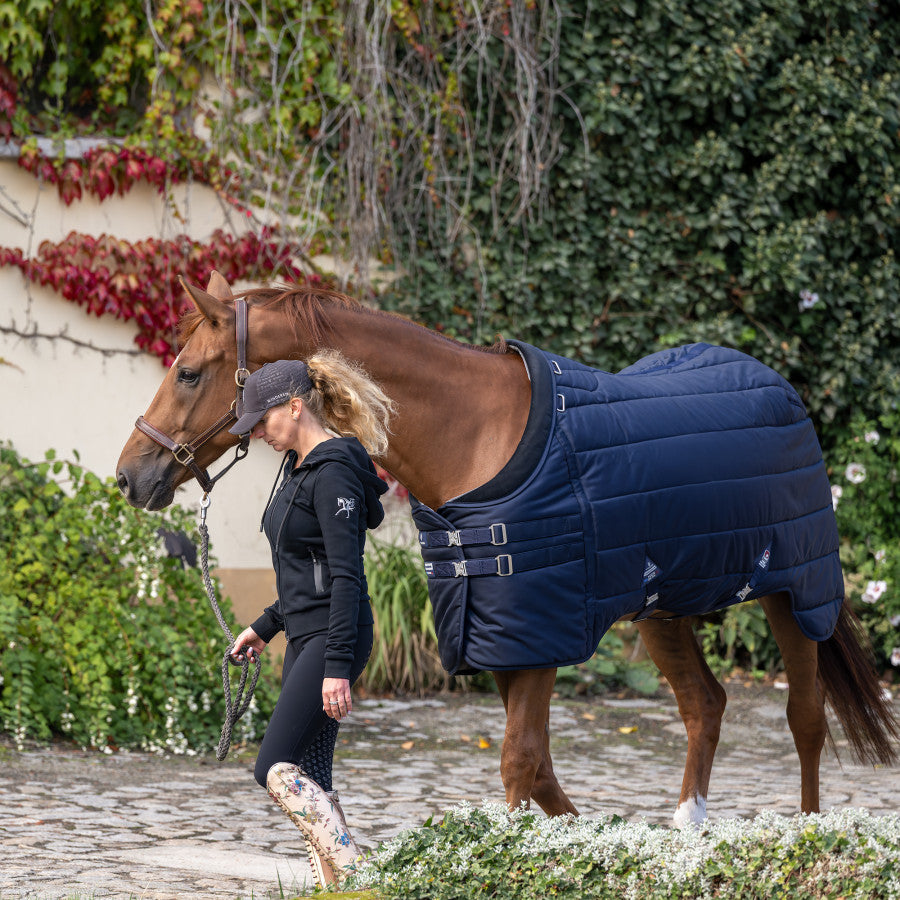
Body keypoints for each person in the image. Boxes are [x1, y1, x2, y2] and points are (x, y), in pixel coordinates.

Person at [227, 352, 392, 889]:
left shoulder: (333, 474)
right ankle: (334, 887)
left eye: (263, 421)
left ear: (295, 407)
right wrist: (266, 625)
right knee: (312, 772)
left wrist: (338, 666)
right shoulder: (296, 470)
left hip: (333, 635)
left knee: (272, 767)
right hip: (304, 631)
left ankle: (360, 880)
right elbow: (304, 572)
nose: (258, 434)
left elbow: (346, 576)